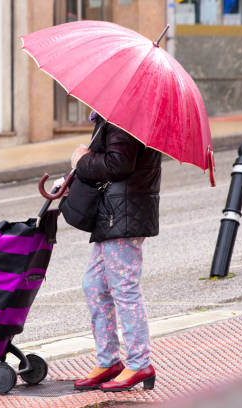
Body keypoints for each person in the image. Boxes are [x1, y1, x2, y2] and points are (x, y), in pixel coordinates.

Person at [69, 111, 161, 392]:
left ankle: (139, 362)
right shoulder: (113, 115)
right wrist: (71, 176)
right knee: (95, 285)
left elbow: (118, 163)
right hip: (113, 213)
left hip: (124, 213)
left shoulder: (126, 116)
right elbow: (104, 158)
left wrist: (81, 160)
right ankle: (109, 361)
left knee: (124, 289)